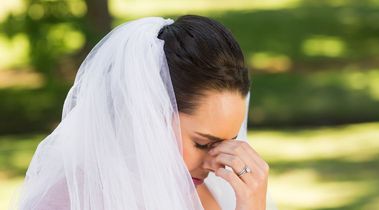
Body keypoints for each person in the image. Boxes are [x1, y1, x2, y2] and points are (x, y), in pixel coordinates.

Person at [12, 15, 278, 210]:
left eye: (229, 143)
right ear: (149, 113)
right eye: (203, 143)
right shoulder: (67, 199)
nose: (215, 163)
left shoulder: (201, 198)